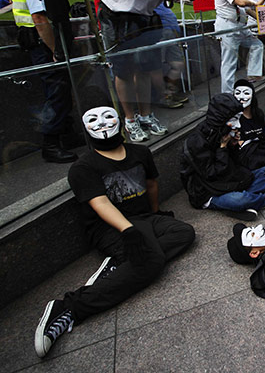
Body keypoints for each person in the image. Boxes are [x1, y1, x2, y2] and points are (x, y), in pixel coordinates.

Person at [35, 105, 195, 358]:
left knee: (184, 233)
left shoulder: (140, 152)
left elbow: (152, 184)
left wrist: (155, 213)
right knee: (149, 264)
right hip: (110, 226)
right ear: (86, 128)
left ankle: (123, 263)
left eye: (108, 117)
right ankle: (68, 308)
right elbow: (100, 203)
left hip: (143, 218)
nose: (102, 124)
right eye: (93, 121)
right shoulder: (83, 167)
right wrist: (128, 229)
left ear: (120, 121)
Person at [98, 0, 214, 142]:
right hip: (117, 10)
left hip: (144, 15)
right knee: (124, 70)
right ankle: (130, 120)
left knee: (144, 69)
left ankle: (145, 115)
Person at [7, 0, 76, 163]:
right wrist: (56, 50)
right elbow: (39, 18)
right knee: (57, 91)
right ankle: (52, 143)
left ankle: (64, 134)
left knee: (55, 90)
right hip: (43, 44)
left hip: (32, 41)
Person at [180, 93, 265, 219]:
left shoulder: (223, 130)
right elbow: (212, 174)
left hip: (229, 182)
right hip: (208, 191)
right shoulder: (196, 142)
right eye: (234, 119)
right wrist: (222, 148)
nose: (238, 125)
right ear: (222, 119)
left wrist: (233, 146)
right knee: (240, 200)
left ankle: (246, 202)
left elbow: (237, 164)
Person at [214, 0, 263, 92]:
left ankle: (253, 74)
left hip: (238, 26)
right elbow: (240, 2)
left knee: (257, 44)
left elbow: (244, 9)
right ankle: (227, 95)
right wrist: (255, 4)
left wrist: (262, 18)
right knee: (229, 64)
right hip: (227, 26)